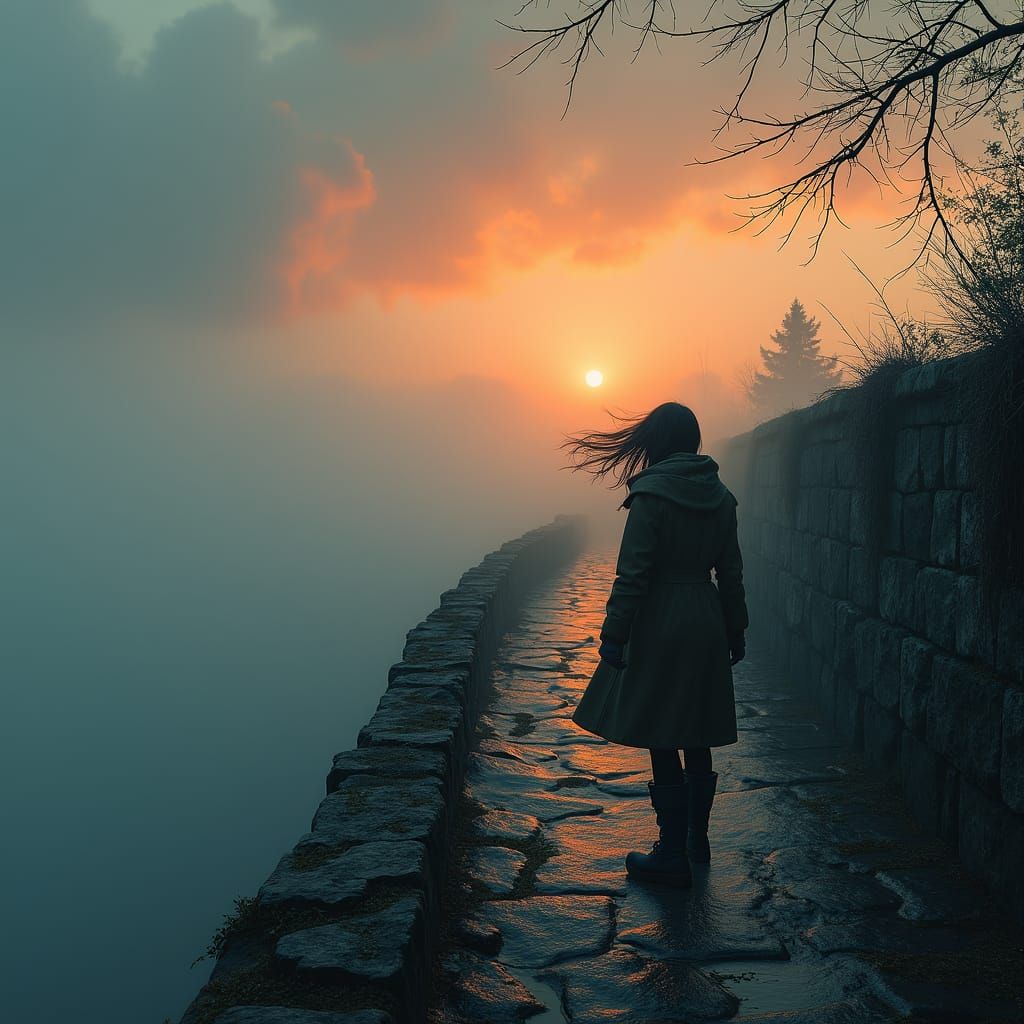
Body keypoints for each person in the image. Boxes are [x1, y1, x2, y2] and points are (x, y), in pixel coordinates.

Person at [563, 402, 748, 888]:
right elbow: (731, 574)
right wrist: (736, 628)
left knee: (663, 732)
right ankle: (696, 840)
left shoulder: (651, 495)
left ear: (657, 441)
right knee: (698, 731)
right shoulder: (721, 497)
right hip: (705, 617)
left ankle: (670, 850)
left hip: (660, 620)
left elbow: (633, 574)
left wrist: (614, 634)